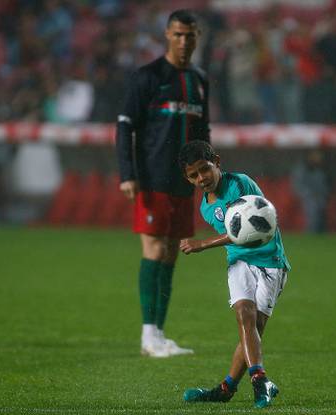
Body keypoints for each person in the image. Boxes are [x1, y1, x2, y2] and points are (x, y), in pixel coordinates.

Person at [115, 10, 210, 357]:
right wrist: (128, 173)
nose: (184, 41)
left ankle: (159, 334)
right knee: (154, 250)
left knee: (171, 254)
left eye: (190, 35)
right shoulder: (148, 77)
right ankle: (147, 335)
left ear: (197, 37)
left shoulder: (200, 80)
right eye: (178, 35)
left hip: (184, 183)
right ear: (167, 35)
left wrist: (208, 173)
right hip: (152, 178)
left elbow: (203, 132)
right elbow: (125, 125)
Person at [177, 141, 290, 409]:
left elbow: (244, 232)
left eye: (205, 169)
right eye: (193, 175)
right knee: (244, 317)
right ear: (187, 178)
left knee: (254, 329)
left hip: (270, 261)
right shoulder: (205, 207)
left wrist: (202, 244)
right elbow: (237, 240)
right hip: (238, 262)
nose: (201, 178)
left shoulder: (239, 184)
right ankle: (260, 381)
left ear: (216, 161)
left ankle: (227, 387)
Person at [290, 149, 329, 233]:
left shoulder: (320, 169)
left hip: (319, 197)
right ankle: (310, 232)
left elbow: (323, 186)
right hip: (306, 198)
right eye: (315, 156)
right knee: (311, 211)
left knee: (320, 213)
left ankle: (318, 231)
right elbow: (297, 186)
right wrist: (308, 194)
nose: (318, 158)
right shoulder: (302, 169)